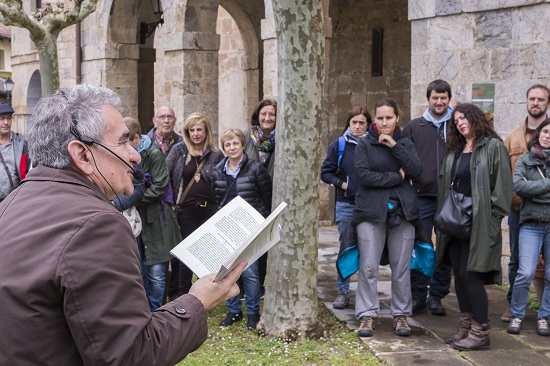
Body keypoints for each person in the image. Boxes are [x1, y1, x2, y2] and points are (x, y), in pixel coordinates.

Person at [0, 84, 245, 364]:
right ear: (82, 155)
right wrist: (198, 301)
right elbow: (130, 355)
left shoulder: (9, 205)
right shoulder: (97, 225)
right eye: (122, 141)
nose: (135, 155)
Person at [437, 103, 512, 351]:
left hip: (478, 223)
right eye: (456, 120)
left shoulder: (493, 147)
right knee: (458, 275)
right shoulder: (456, 150)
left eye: (463, 117)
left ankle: (481, 331)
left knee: (471, 276)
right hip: (455, 223)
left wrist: (490, 224)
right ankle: (466, 326)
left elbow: (502, 193)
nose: (460, 122)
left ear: (475, 118)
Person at [354, 98, 422, 338]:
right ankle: (367, 314)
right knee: (369, 267)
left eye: (389, 118)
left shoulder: (404, 143)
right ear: (375, 119)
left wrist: (395, 146)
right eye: (380, 118)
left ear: (397, 118)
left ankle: (401, 315)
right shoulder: (364, 145)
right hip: (371, 213)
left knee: (401, 268)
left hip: (402, 213)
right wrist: (396, 177)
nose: (384, 122)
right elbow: (364, 177)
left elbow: (417, 171)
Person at [403, 79, 454, 316]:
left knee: (445, 248)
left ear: (448, 98)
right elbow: (403, 158)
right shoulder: (414, 127)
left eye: (443, 98)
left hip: (450, 198)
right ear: (428, 99)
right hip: (421, 196)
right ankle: (418, 295)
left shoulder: (458, 125)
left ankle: (437, 295)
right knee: (421, 246)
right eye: (435, 97)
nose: (439, 102)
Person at [213, 128, 273, 330]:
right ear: (224, 148)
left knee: (250, 273)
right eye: (227, 145)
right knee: (228, 272)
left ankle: (253, 313)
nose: (232, 148)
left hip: (250, 228)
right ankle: (233, 310)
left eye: (235, 143)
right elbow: (217, 198)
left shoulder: (255, 169)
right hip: (228, 228)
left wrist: (262, 224)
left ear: (242, 145)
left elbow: (267, 198)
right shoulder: (218, 171)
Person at [502, 84, 550, 322]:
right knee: (517, 262)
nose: (536, 103)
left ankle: (545, 309)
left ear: (547, 103)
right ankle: (513, 305)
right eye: (532, 98)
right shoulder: (513, 137)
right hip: (518, 210)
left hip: (547, 213)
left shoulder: (549, 131)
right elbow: (506, 177)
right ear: (526, 101)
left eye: (541, 99)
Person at [166, 112, 224, 297]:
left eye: (199, 129)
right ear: (187, 132)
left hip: (210, 209)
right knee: (187, 255)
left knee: (207, 255)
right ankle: (184, 295)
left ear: (206, 131)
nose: (196, 133)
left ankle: (204, 294)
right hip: (186, 210)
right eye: (192, 130)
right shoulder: (179, 150)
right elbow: (166, 174)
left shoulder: (216, 154)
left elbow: (222, 179)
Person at [321, 106, 372, 309]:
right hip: (346, 205)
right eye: (354, 122)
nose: (358, 126)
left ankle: (365, 294)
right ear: (349, 123)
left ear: (368, 125)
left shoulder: (373, 144)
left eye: (362, 123)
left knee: (369, 249)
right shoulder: (340, 144)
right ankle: (343, 292)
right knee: (346, 248)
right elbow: (326, 172)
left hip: (369, 205)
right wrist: (343, 184)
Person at [129, 117, 182, 311]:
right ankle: (144, 311)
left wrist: (132, 198)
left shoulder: (153, 154)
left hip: (157, 219)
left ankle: (157, 311)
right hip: (135, 219)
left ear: (136, 138)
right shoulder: (125, 155)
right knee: (139, 269)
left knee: (157, 272)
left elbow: (159, 186)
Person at [147, 105, 184, 301]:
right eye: (162, 117)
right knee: (158, 255)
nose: (166, 120)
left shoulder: (181, 143)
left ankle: (175, 293)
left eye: (170, 116)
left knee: (177, 252)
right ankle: (158, 299)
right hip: (155, 206)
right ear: (155, 120)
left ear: (175, 120)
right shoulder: (146, 143)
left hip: (176, 203)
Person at [244, 99, 277, 295]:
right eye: (264, 114)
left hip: (273, 197)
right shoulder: (248, 138)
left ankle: (262, 284)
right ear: (257, 116)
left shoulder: (283, 137)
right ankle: (246, 287)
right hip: (251, 198)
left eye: (271, 114)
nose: (267, 118)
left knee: (268, 243)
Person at [0, 102, 29, 203]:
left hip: (14, 201)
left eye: (9, 118)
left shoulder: (22, 145)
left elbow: (28, 171)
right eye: (2, 118)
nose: (6, 122)